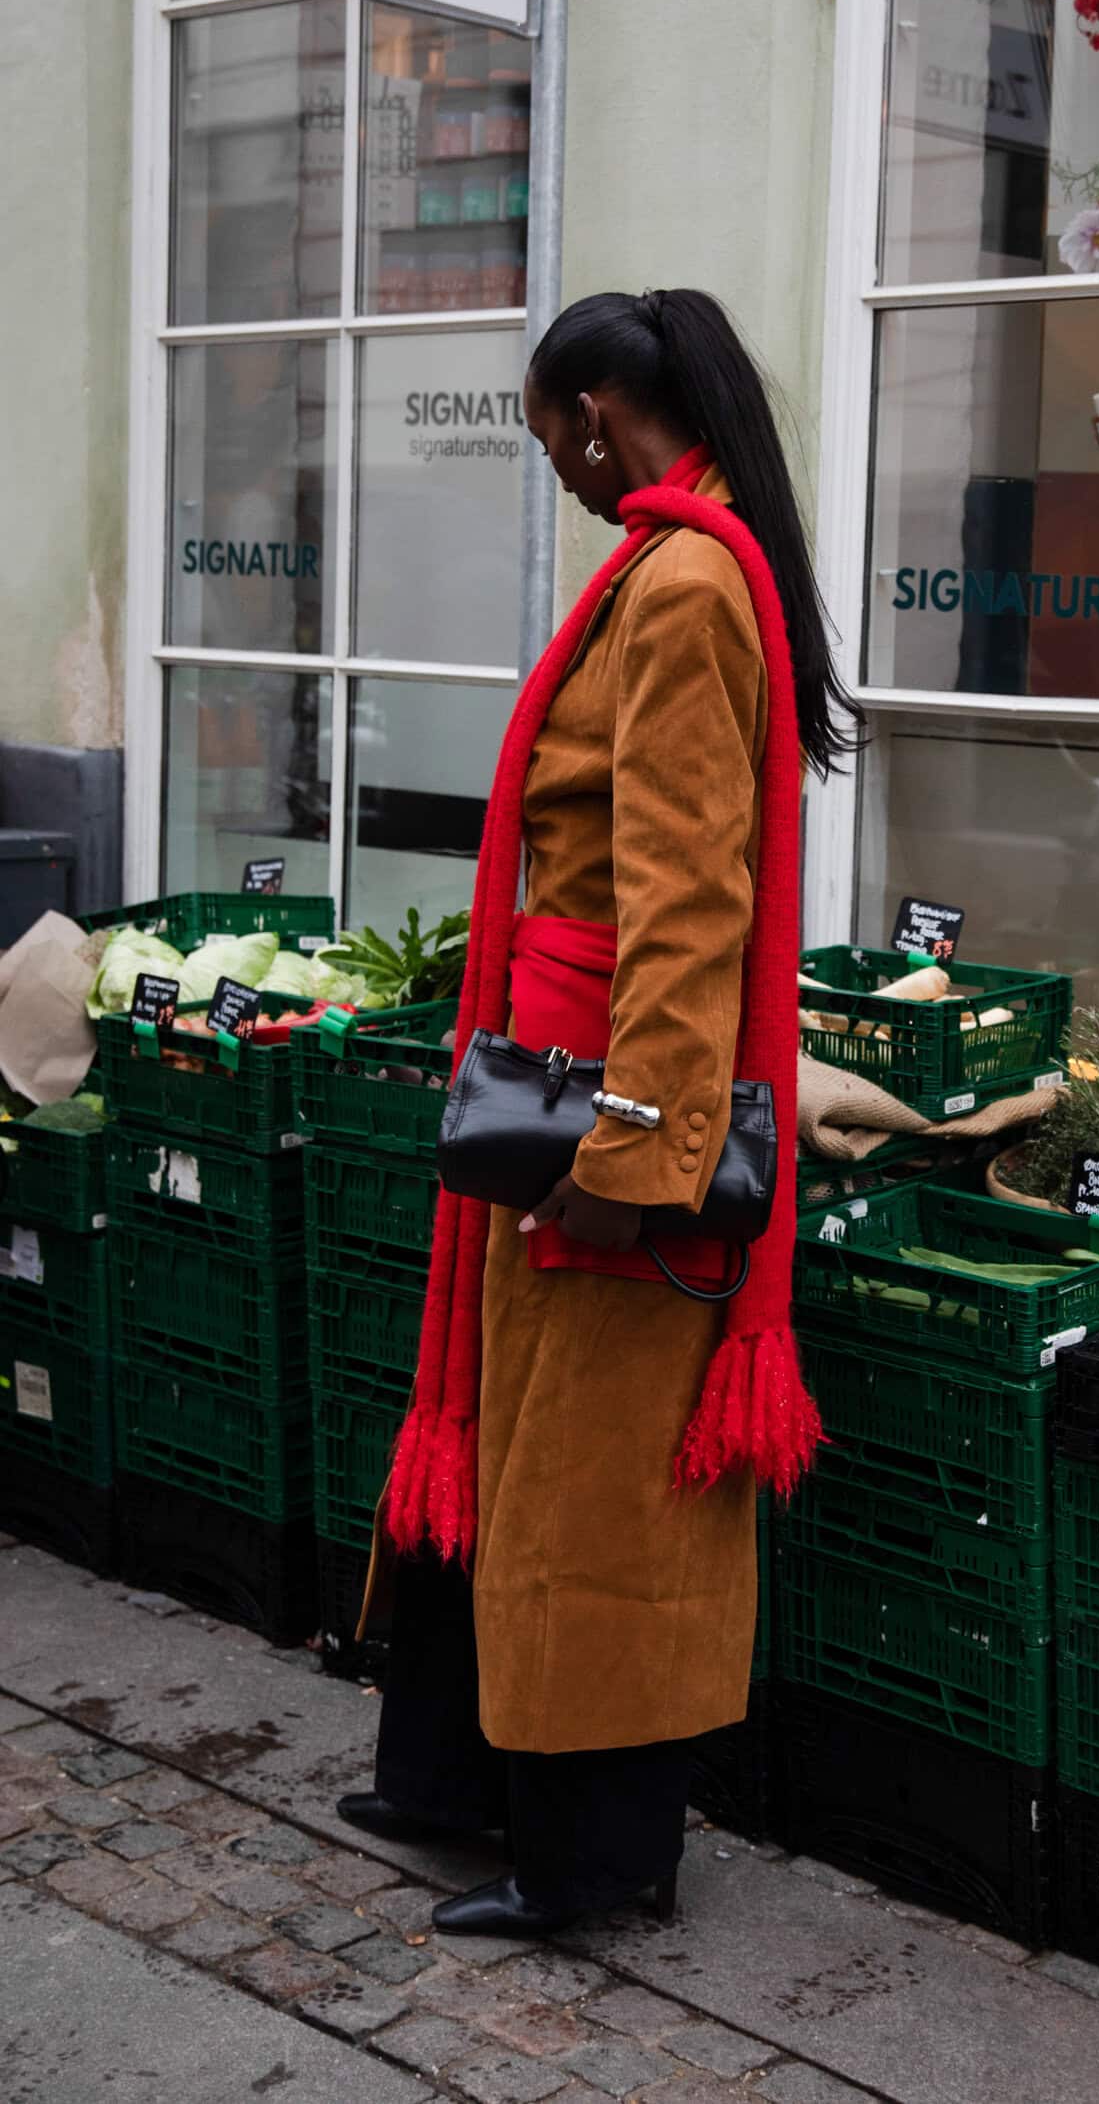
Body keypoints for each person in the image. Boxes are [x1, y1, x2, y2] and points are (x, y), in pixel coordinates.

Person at [335, 288, 857, 1934]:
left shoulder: (686, 582)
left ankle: (594, 1864)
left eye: (547, 431)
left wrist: (634, 1158)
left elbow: (689, 904)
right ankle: (459, 1780)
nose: (549, 462)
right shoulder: (668, 561)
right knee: (528, 1451)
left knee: (596, 1491)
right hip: (556, 1099)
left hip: (602, 1126)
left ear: (589, 417)